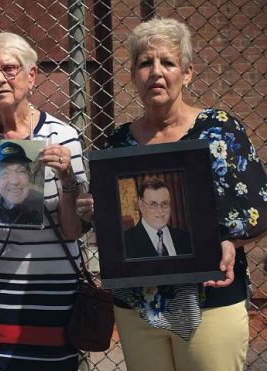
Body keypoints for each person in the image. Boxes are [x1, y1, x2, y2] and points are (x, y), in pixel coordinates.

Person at [76, 18, 267, 371]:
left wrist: (231, 243)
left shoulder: (220, 129)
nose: (156, 72)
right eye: (145, 63)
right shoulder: (118, 142)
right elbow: (121, 225)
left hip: (211, 296)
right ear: (133, 75)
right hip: (137, 305)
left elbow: (257, 207)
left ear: (188, 72)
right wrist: (97, 209)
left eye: (168, 62)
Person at [0, 32, 87, 370]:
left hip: (49, 292)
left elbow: (73, 230)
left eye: (9, 69)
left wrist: (68, 177)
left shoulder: (62, 136)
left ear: (31, 75)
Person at [124, 177, 191, 258]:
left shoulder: (186, 239)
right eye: (153, 204)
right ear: (141, 205)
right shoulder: (125, 243)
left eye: (165, 203)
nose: (160, 211)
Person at [0, 141, 43, 226]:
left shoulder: (43, 206)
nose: (15, 181)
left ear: (29, 176)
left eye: (21, 171)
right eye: (5, 173)